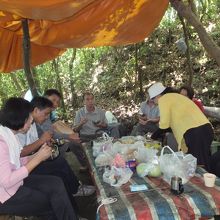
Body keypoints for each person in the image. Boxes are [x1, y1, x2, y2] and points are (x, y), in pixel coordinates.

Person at [0, 97, 77, 220]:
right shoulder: (2, 141)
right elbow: (6, 181)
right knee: (48, 202)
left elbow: (17, 162)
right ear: (20, 118)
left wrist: (37, 155)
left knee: (55, 183)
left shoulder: (10, 135)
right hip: (5, 195)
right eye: (29, 117)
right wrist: (38, 159)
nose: (31, 121)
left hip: (17, 182)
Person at [16, 96, 95, 200]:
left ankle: (75, 189)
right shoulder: (20, 126)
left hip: (32, 161)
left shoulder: (34, 125)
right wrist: (41, 141)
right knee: (58, 178)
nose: (46, 117)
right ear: (35, 110)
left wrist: (44, 144)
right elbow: (20, 153)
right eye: (45, 114)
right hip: (23, 169)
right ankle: (74, 191)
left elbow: (40, 141)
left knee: (60, 163)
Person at [149, 82, 214, 171]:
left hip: (195, 133)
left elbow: (164, 124)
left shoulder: (164, 99)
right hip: (205, 129)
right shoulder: (176, 97)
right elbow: (172, 124)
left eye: (152, 98)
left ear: (158, 95)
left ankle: (206, 184)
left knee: (199, 167)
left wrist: (153, 137)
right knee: (204, 163)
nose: (153, 101)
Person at [41, 89, 88, 172]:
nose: (55, 104)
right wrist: (69, 136)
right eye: (53, 100)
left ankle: (86, 163)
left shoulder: (47, 114)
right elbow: (50, 134)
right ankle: (84, 164)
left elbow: (51, 131)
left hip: (48, 142)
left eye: (58, 102)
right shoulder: (41, 113)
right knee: (70, 143)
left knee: (73, 142)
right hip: (43, 147)